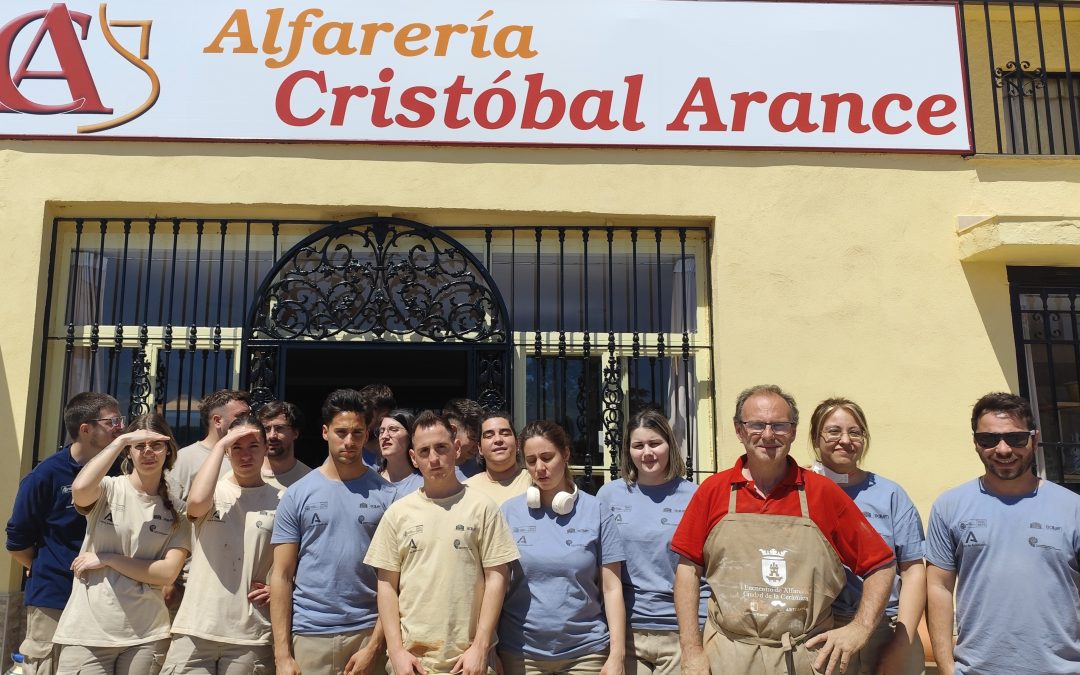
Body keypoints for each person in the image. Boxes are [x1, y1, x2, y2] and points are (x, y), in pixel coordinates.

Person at [671, 384, 896, 675]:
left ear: (792, 431)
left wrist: (860, 628)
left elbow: (881, 565)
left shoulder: (822, 494)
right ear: (739, 430)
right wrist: (692, 651)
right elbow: (687, 572)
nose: (768, 435)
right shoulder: (713, 491)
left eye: (779, 425)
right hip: (727, 656)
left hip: (805, 657)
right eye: (756, 425)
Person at [926, 392, 1080, 675]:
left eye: (1015, 438)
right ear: (975, 443)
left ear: (1034, 439)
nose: (1003, 449)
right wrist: (947, 669)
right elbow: (939, 588)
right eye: (989, 439)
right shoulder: (949, 506)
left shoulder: (1073, 508)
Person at [366, 411, 518, 675]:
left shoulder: (483, 508)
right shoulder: (397, 513)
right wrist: (397, 652)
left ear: (456, 448)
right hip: (413, 663)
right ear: (413, 457)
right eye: (424, 451)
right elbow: (386, 586)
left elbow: (497, 579)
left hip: (470, 662)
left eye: (441, 448)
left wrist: (481, 648)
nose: (434, 459)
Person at [51, 413, 190, 675]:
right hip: (87, 632)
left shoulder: (178, 511)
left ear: (168, 450)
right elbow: (79, 488)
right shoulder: (107, 488)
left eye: (156, 445)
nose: (148, 452)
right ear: (128, 452)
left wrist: (108, 559)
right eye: (139, 446)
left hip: (146, 635)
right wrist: (121, 439)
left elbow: (167, 573)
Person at [270, 389, 397, 675]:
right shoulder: (297, 494)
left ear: (368, 435)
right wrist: (282, 656)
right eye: (341, 432)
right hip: (309, 635)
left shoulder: (389, 496)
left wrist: (376, 645)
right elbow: (281, 575)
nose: (349, 441)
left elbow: (394, 578)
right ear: (325, 432)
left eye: (357, 433)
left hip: (368, 633)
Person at [6, 392, 122, 675]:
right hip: (54, 596)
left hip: (109, 595)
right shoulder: (45, 475)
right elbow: (17, 540)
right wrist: (43, 566)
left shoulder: (123, 471)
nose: (121, 427)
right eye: (113, 421)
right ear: (85, 429)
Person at [498, 420, 627, 675]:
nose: (540, 468)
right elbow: (495, 585)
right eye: (531, 460)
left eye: (547, 457)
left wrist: (617, 655)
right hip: (521, 654)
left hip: (586, 653)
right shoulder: (509, 513)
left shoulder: (596, 510)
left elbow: (612, 588)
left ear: (566, 454)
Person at [808, 398, 926, 675]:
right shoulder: (799, 492)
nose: (845, 440)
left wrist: (901, 643)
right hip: (820, 631)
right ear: (816, 437)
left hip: (885, 628)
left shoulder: (891, 495)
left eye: (855, 432)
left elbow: (912, 570)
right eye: (834, 431)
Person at [160, 415, 281, 674]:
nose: (245, 455)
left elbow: (293, 562)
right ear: (226, 451)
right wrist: (219, 445)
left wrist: (277, 589)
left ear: (265, 449)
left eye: (253, 446)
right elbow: (195, 504)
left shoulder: (282, 501)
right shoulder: (212, 492)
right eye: (236, 447)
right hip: (196, 627)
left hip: (249, 632)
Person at [597, 409, 708, 675]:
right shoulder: (608, 495)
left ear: (670, 444)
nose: (647, 452)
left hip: (681, 631)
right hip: (626, 632)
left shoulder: (696, 496)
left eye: (655, 443)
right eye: (638, 445)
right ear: (628, 450)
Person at [168, 389, 251, 503]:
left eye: (249, 415)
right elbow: (171, 505)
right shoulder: (186, 457)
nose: (248, 420)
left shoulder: (252, 455)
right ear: (217, 420)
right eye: (241, 415)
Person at [465, 411, 531, 504]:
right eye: (489, 435)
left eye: (505, 434)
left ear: (517, 444)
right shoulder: (466, 490)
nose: (498, 440)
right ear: (480, 448)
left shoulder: (535, 481)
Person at [256, 400, 312, 490]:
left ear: (295, 433)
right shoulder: (243, 475)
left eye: (280, 428)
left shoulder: (309, 480)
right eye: (266, 429)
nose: (272, 436)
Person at [378, 409, 424, 498]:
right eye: (381, 431)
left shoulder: (425, 484)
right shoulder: (370, 480)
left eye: (393, 430)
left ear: (410, 436)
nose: (384, 436)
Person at [444, 398, 483, 478]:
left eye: (479, 438)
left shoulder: (483, 470)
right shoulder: (429, 469)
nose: (477, 445)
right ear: (453, 431)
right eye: (473, 437)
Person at [361, 384, 397, 470]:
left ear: (384, 415)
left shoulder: (407, 460)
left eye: (367, 414)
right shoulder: (348, 459)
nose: (361, 420)